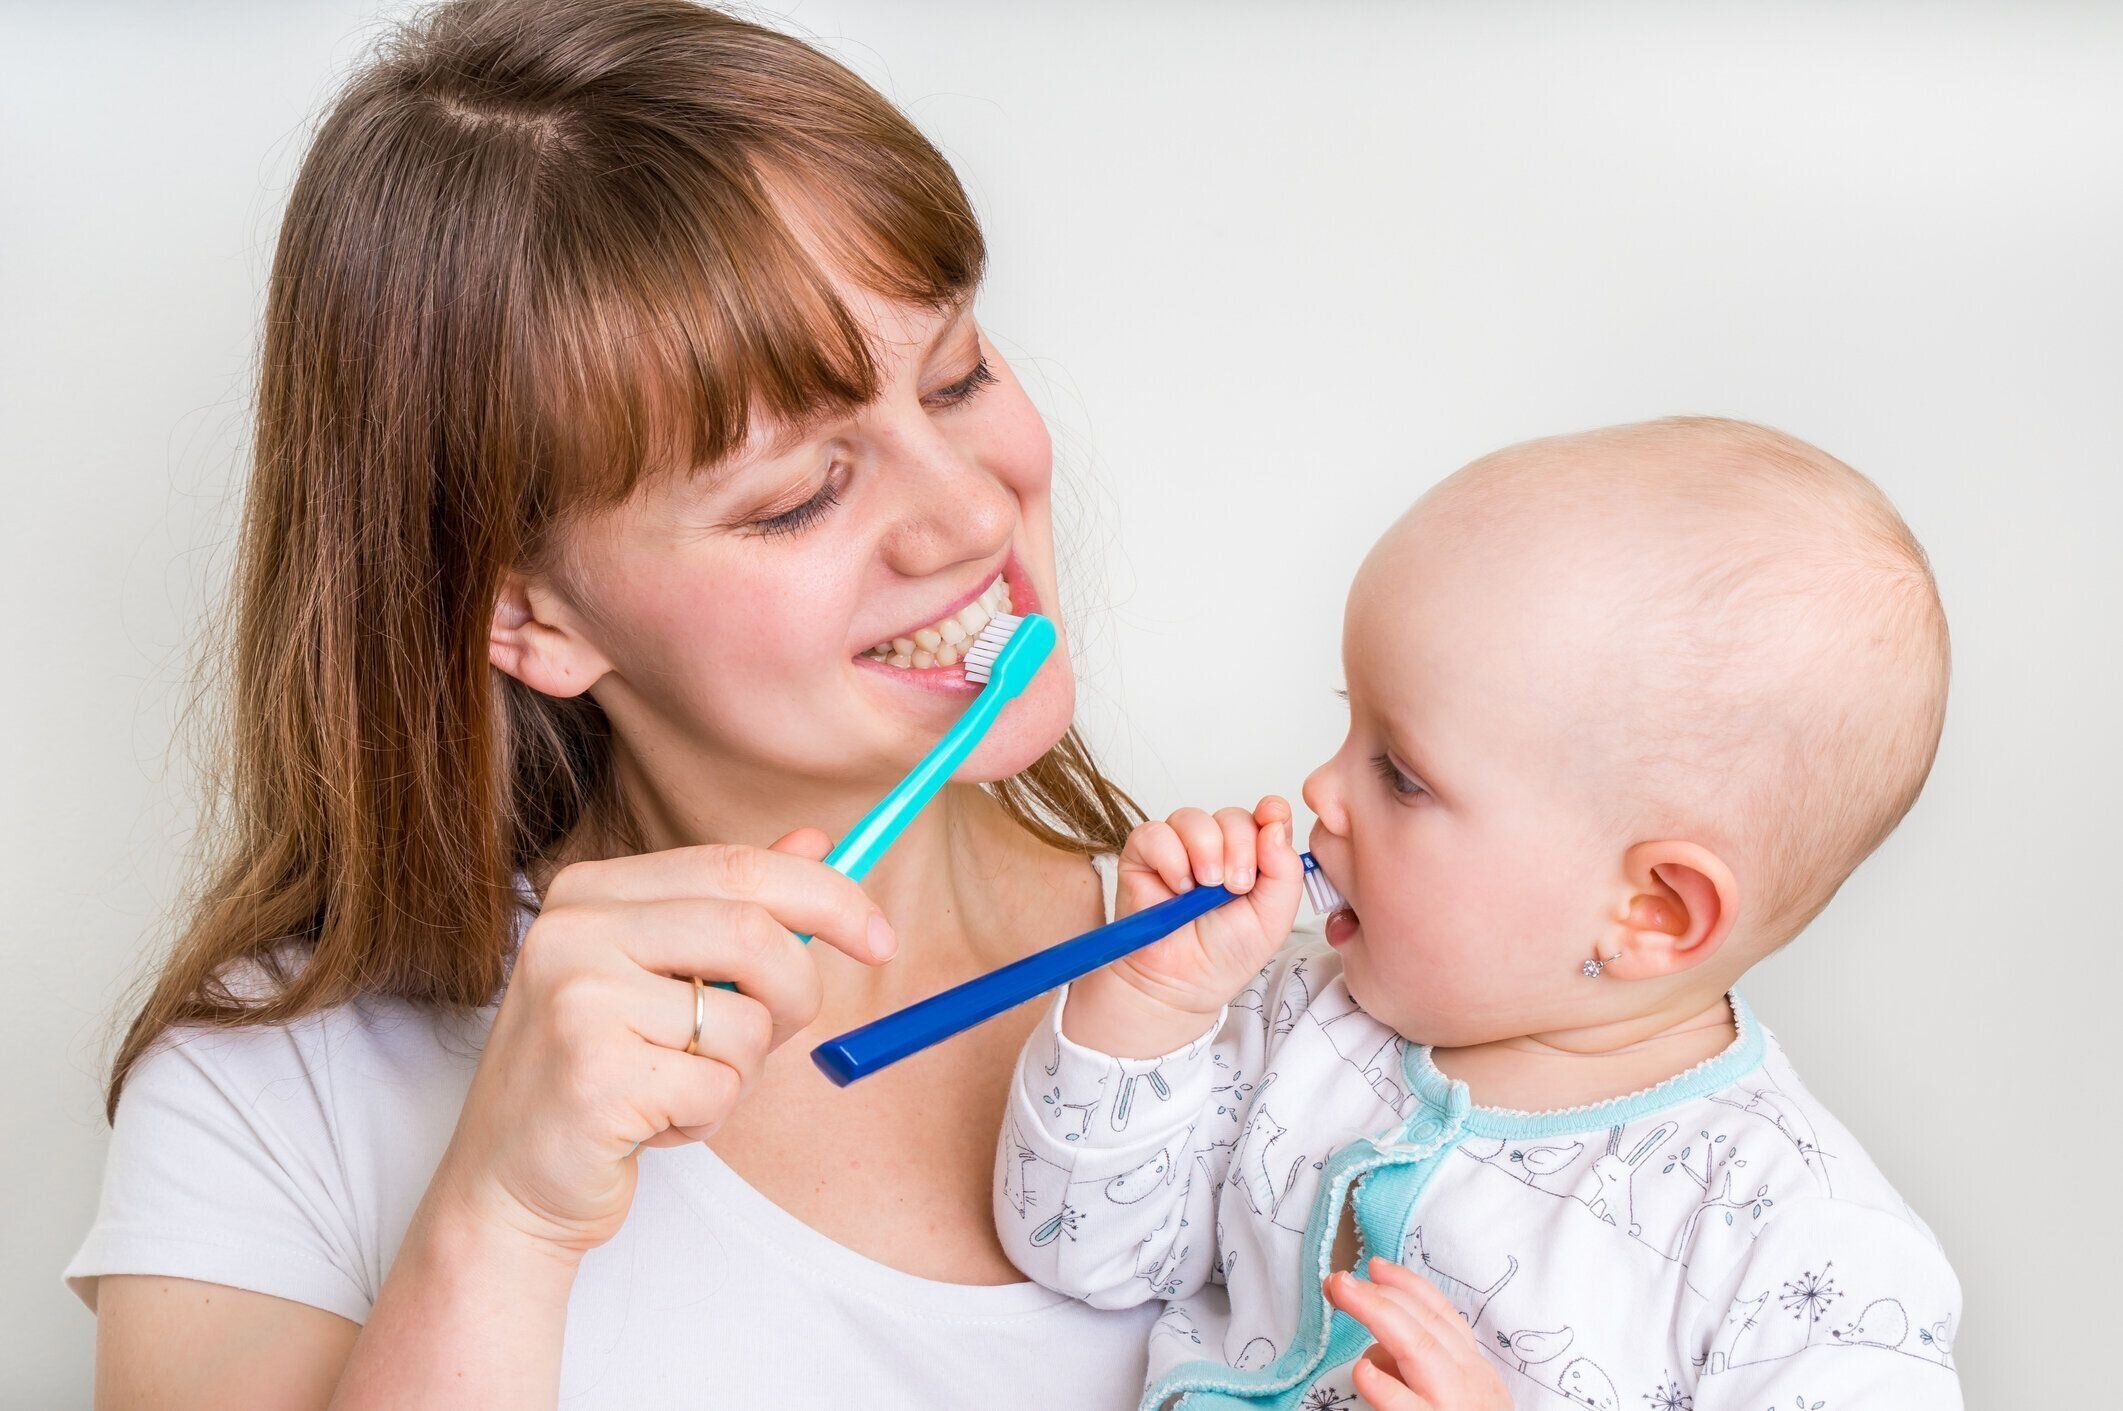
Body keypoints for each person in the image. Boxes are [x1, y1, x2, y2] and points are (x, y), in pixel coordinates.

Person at [69, 1, 1159, 1404]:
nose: (970, 512)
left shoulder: (1286, 980)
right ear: (526, 614)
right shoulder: (272, 1107)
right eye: (796, 495)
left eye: (955, 377)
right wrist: (499, 1221)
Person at [998, 418, 1964, 1410]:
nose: (1321, 789)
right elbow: (1080, 1252)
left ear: (1651, 910)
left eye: (1400, 774)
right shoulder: (1291, 1016)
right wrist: (1150, 1006)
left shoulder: (1801, 1247)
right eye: (1348, 720)